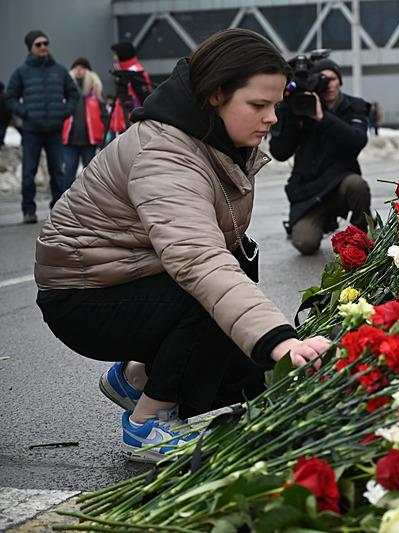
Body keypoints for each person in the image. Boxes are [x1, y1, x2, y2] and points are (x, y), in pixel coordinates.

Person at [35, 29, 330, 463]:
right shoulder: (167, 152)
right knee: (210, 300)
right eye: (258, 105)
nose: (271, 118)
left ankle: (136, 378)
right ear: (215, 95)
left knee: (246, 377)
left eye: (275, 106)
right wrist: (278, 340)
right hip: (82, 297)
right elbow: (197, 260)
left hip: (125, 280)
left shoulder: (210, 136)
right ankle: (149, 423)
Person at [269, 57, 371, 255]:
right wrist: (290, 115)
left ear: (340, 81)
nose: (328, 84)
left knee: (357, 185)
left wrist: (323, 118)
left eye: (332, 79)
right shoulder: (300, 106)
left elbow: (357, 141)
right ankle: (319, 222)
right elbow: (280, 153)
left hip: (340, 184)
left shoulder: (354, 106)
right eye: (322, 79)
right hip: (310, 191)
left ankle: (361, 237)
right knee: (305, 243)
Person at [5, 30, 79, 223]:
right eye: (38, 44)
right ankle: (28, 210)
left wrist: (65, 112)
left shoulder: (60, 71)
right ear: (30, 48)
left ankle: (58, 209)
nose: (43, 47)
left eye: (45, 43)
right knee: (29, 172)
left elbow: (73, 94)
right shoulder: (21, 72)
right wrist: (25, 112)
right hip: (31, 131)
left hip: (55, 130)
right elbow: (10, 97)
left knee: (58, 171)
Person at [61, 57, 105, 191]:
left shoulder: (95, 90)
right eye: (76, 67)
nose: (79, 70)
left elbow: (102, 114)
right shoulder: (65, 88)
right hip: (70, 140)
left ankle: (90, 201)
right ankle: (64, 201)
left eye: (82, 67)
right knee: (68, 172)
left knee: (91, 173)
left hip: (89, 140)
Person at [108, 41, 152, 138]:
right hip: (125, 125)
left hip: (130, 125)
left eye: (116, 54)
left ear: (123, 55)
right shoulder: (125, 72)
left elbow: (144, 98)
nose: (114, 57)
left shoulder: (134, 73)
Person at [0, 82, 11, 147]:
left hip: (3, 117)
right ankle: (1, 142)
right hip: (4, 118)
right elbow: (8, 108)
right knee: (2, 130)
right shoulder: (5, 97)